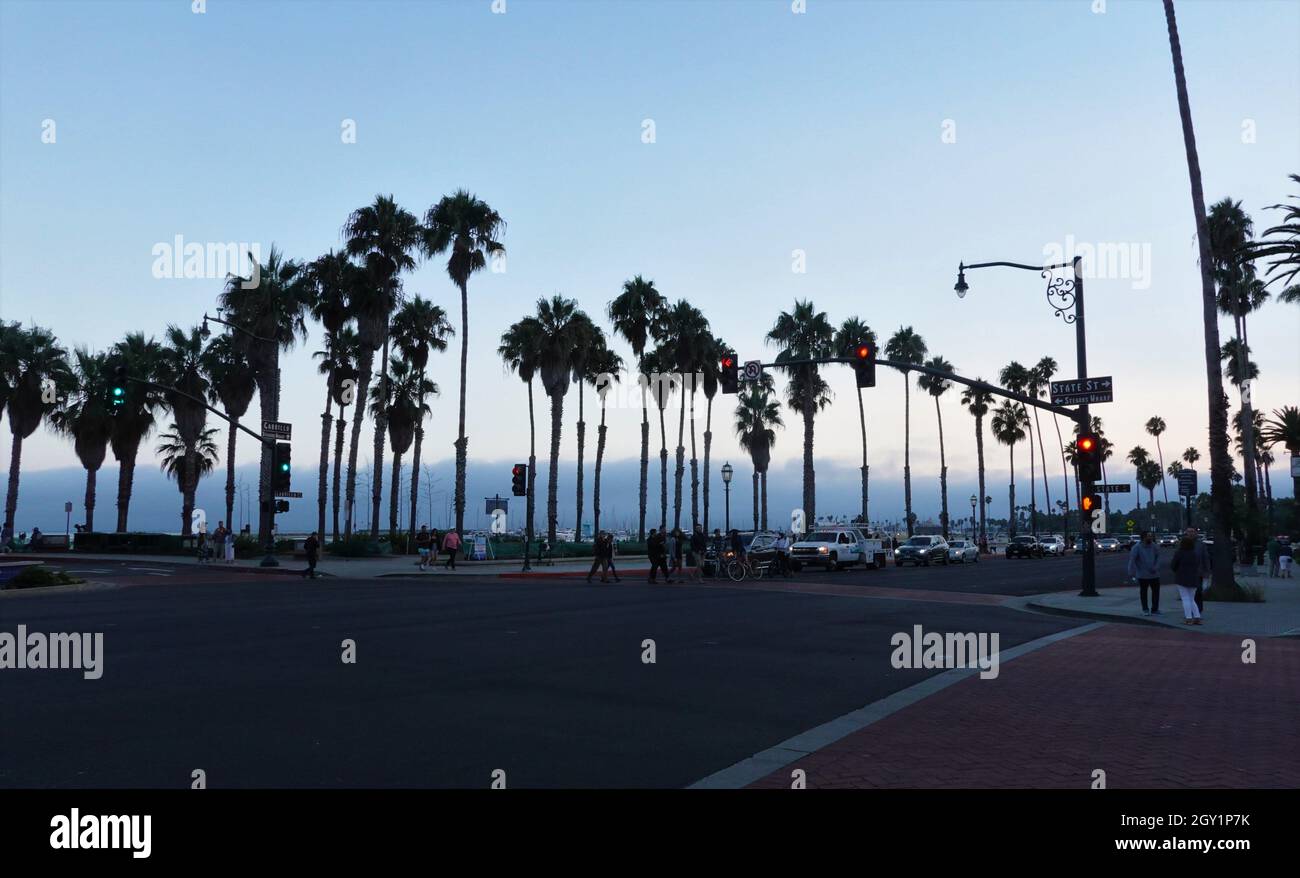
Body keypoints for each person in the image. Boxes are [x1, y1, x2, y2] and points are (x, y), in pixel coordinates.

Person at [1170, 533, 1204, 624]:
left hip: (1181, 577)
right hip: (1193, 578)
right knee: (1191, 599)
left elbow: (1173, 565)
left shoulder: (1179, 553)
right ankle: (1197, 617)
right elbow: (1197, 564)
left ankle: (1188, 617)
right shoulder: (1195, 554)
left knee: (1185, 598)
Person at [1126, 530, 1161, 616]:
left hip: (1154, 574)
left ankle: (1155, 609)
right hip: (1142, 574)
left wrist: (1156, 567)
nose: (1150, 537)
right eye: (1148, 536)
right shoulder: (1136, 547)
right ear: (1143, 537)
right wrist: (1131, 572)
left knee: (1156, 592)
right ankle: (1145, 609)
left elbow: (1158, 557)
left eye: (1151, 536)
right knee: (1143, 592)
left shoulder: (1154, 546)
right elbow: (1132, 560)